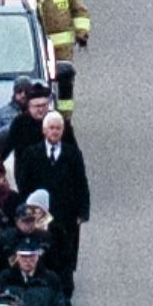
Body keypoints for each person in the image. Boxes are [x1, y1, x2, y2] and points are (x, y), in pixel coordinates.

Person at [14, 109, 90, 281]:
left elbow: (81, 183)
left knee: (67, 250)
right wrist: (27, 210)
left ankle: (66, 287)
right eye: (51, 128)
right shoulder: (32, 153)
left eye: (58, 128)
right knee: (44, 249)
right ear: (44, 130)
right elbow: (24, 184)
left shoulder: (73, 154)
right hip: (40, 215)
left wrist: (83, 211)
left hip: (66, 213)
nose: (54, 131)